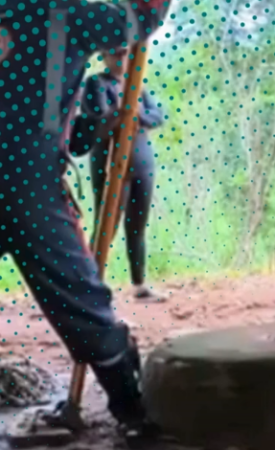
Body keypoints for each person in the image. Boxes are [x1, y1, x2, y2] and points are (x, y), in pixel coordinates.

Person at [0, 0, 169, 438]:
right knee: (78, 295)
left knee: (77, 293)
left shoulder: (62, 13)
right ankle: (132, 409)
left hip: (26, 178)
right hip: (25, 179)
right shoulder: (68, 14)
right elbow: (142, 18)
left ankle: (132, 407)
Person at [71, 47, 166, 301]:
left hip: (142, 162)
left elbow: (157, 116)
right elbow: (98, 116)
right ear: (104, 57)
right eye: (115, 54)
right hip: (110, 160)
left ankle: (140, 284)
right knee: (107, 226)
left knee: (137, 225)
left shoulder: (136, 85)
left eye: (125, 54)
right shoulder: (96, 83)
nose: (121, 59)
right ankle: (90, 285)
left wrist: (137, 115)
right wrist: (123, 114)